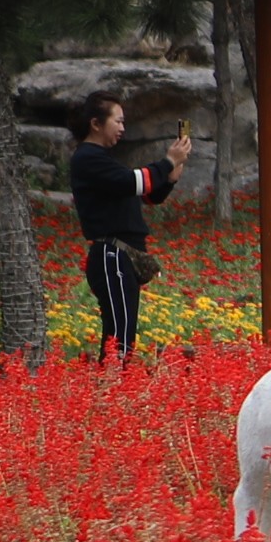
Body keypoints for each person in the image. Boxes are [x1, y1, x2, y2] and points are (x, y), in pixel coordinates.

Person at [66, 88, 192, 363]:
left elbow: (148, 194)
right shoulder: (88, 158)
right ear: (96, 124)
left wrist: (169, 177)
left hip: (122, 256)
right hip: (112, 255)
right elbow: (135, 182)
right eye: (118, 121)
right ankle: (111, 389)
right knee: (119, 335)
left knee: (124, 333)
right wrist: (168, 161)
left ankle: (114, 386)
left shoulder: (101, 159)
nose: (123, 127)